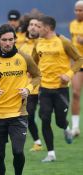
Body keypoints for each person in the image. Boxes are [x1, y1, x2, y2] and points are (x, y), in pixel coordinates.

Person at [0, 24, 41, 175]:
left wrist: (28, 89)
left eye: (11, 39)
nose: (8, 43)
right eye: (4, 40)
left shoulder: (24, 58)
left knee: (18, 152)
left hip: (19, 115)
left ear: (15, 40)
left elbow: (37, 75)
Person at [32, 16, 83, 162]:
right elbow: (33, 61)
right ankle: (51, 153)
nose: (36, 29)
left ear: (47, 28)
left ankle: (66, 128)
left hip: (60, 89)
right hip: (44, 88)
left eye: (39, 26)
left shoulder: (64, 42)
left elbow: (79, 59)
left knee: (60, 120)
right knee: (45, 118)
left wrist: (69, 74)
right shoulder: (38, 43)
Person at [19, 16, 43, 151]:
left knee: (48, 114)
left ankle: (66, 126)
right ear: (28, 27)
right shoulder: (23, 46)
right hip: (32, 88)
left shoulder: (44, 43)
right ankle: (38, 142)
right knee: (29, 114)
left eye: (37, 25)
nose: (33, 27)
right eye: (31, 24)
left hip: (47, 86)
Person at [69, 0, 83, 137]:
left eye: (81, 10)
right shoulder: (72, 24)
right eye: (77, 10)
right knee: (75, 93)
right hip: (79, 64)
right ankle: (75, 127)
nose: (78, 12)